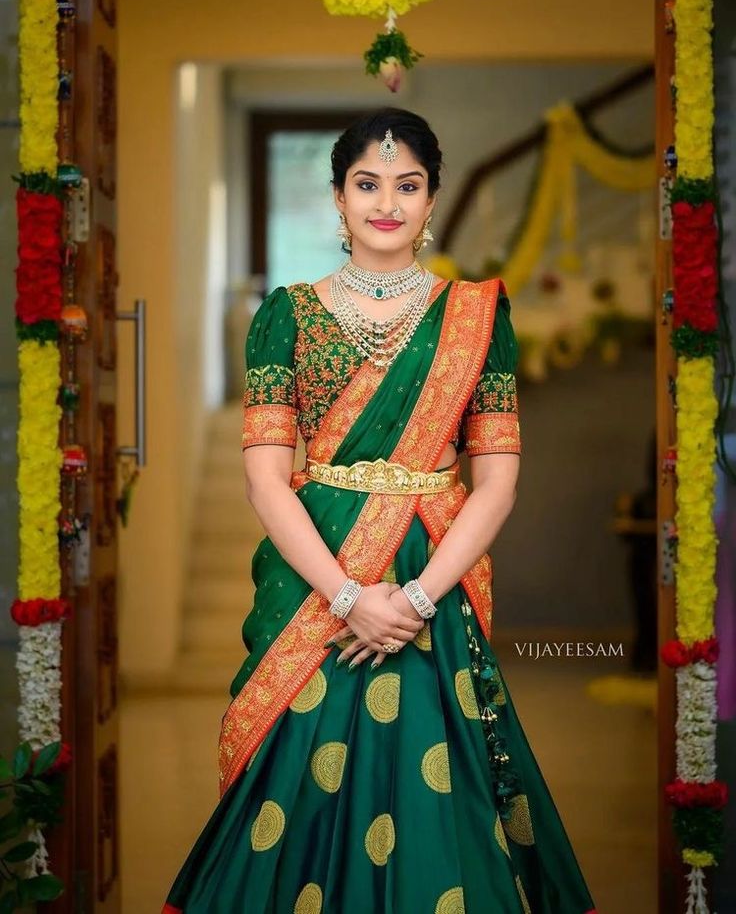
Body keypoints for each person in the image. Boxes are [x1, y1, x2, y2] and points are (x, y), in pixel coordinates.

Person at [162, 107, 597, 914]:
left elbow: (496, 481)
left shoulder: (475, 317)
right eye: (367, 184)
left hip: (431, 573)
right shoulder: (286, 316)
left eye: (408, 185)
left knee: (441, 782)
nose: (387, 202)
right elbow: (267, 480)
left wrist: (420, 596)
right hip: (317, 579)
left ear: (433, 200)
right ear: (337, 197)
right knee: (293, 781)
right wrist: (348, 597)